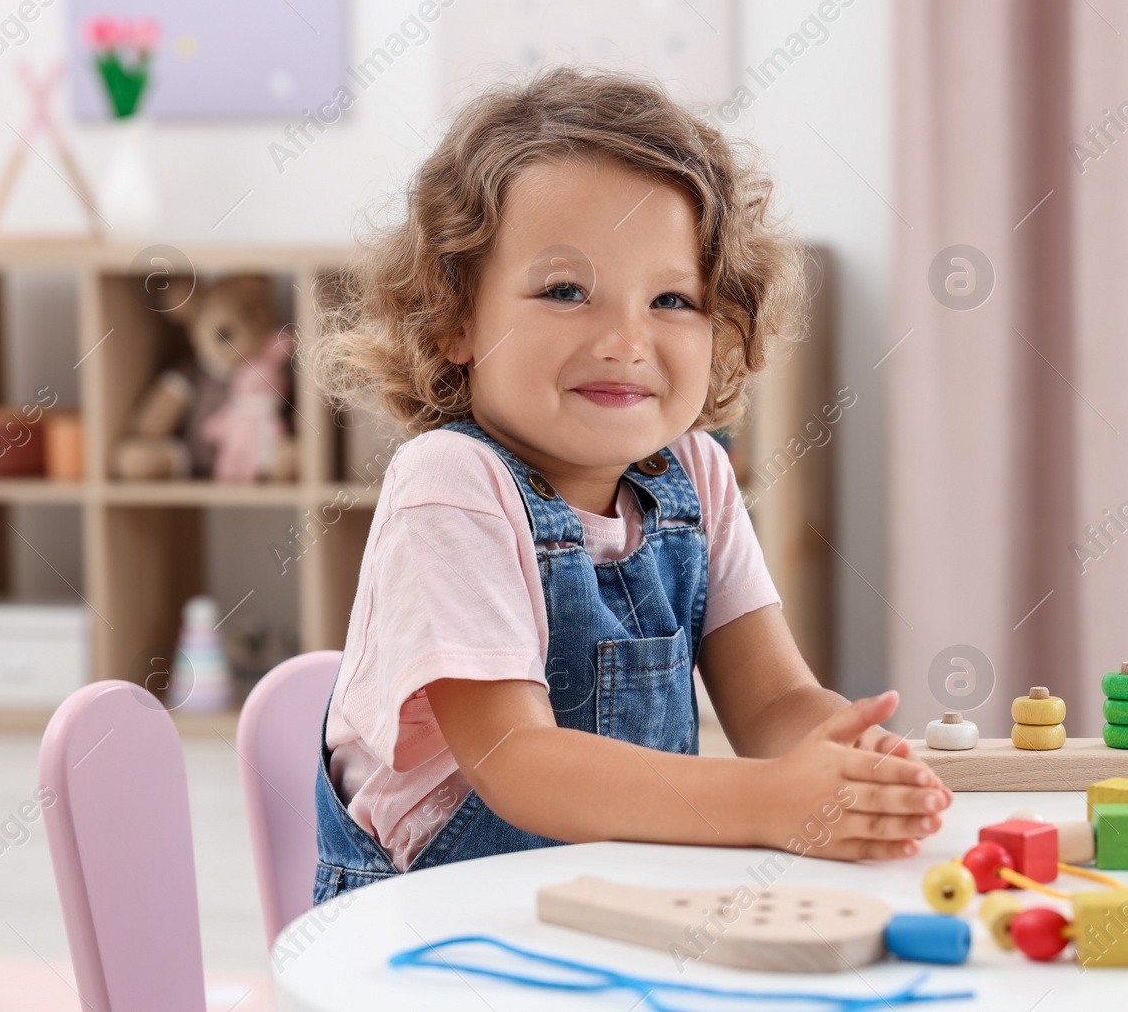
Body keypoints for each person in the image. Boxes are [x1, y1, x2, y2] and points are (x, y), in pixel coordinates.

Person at [307, 66, 950, 902]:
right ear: (454, 319)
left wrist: (844, 756)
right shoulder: (451, 483)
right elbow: (520, 763)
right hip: (428, 925)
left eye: (673, 298)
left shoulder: (696, 474)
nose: (624, 337)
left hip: (611, 897)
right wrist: (770, 801)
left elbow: (774, 700)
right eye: (566, 290)